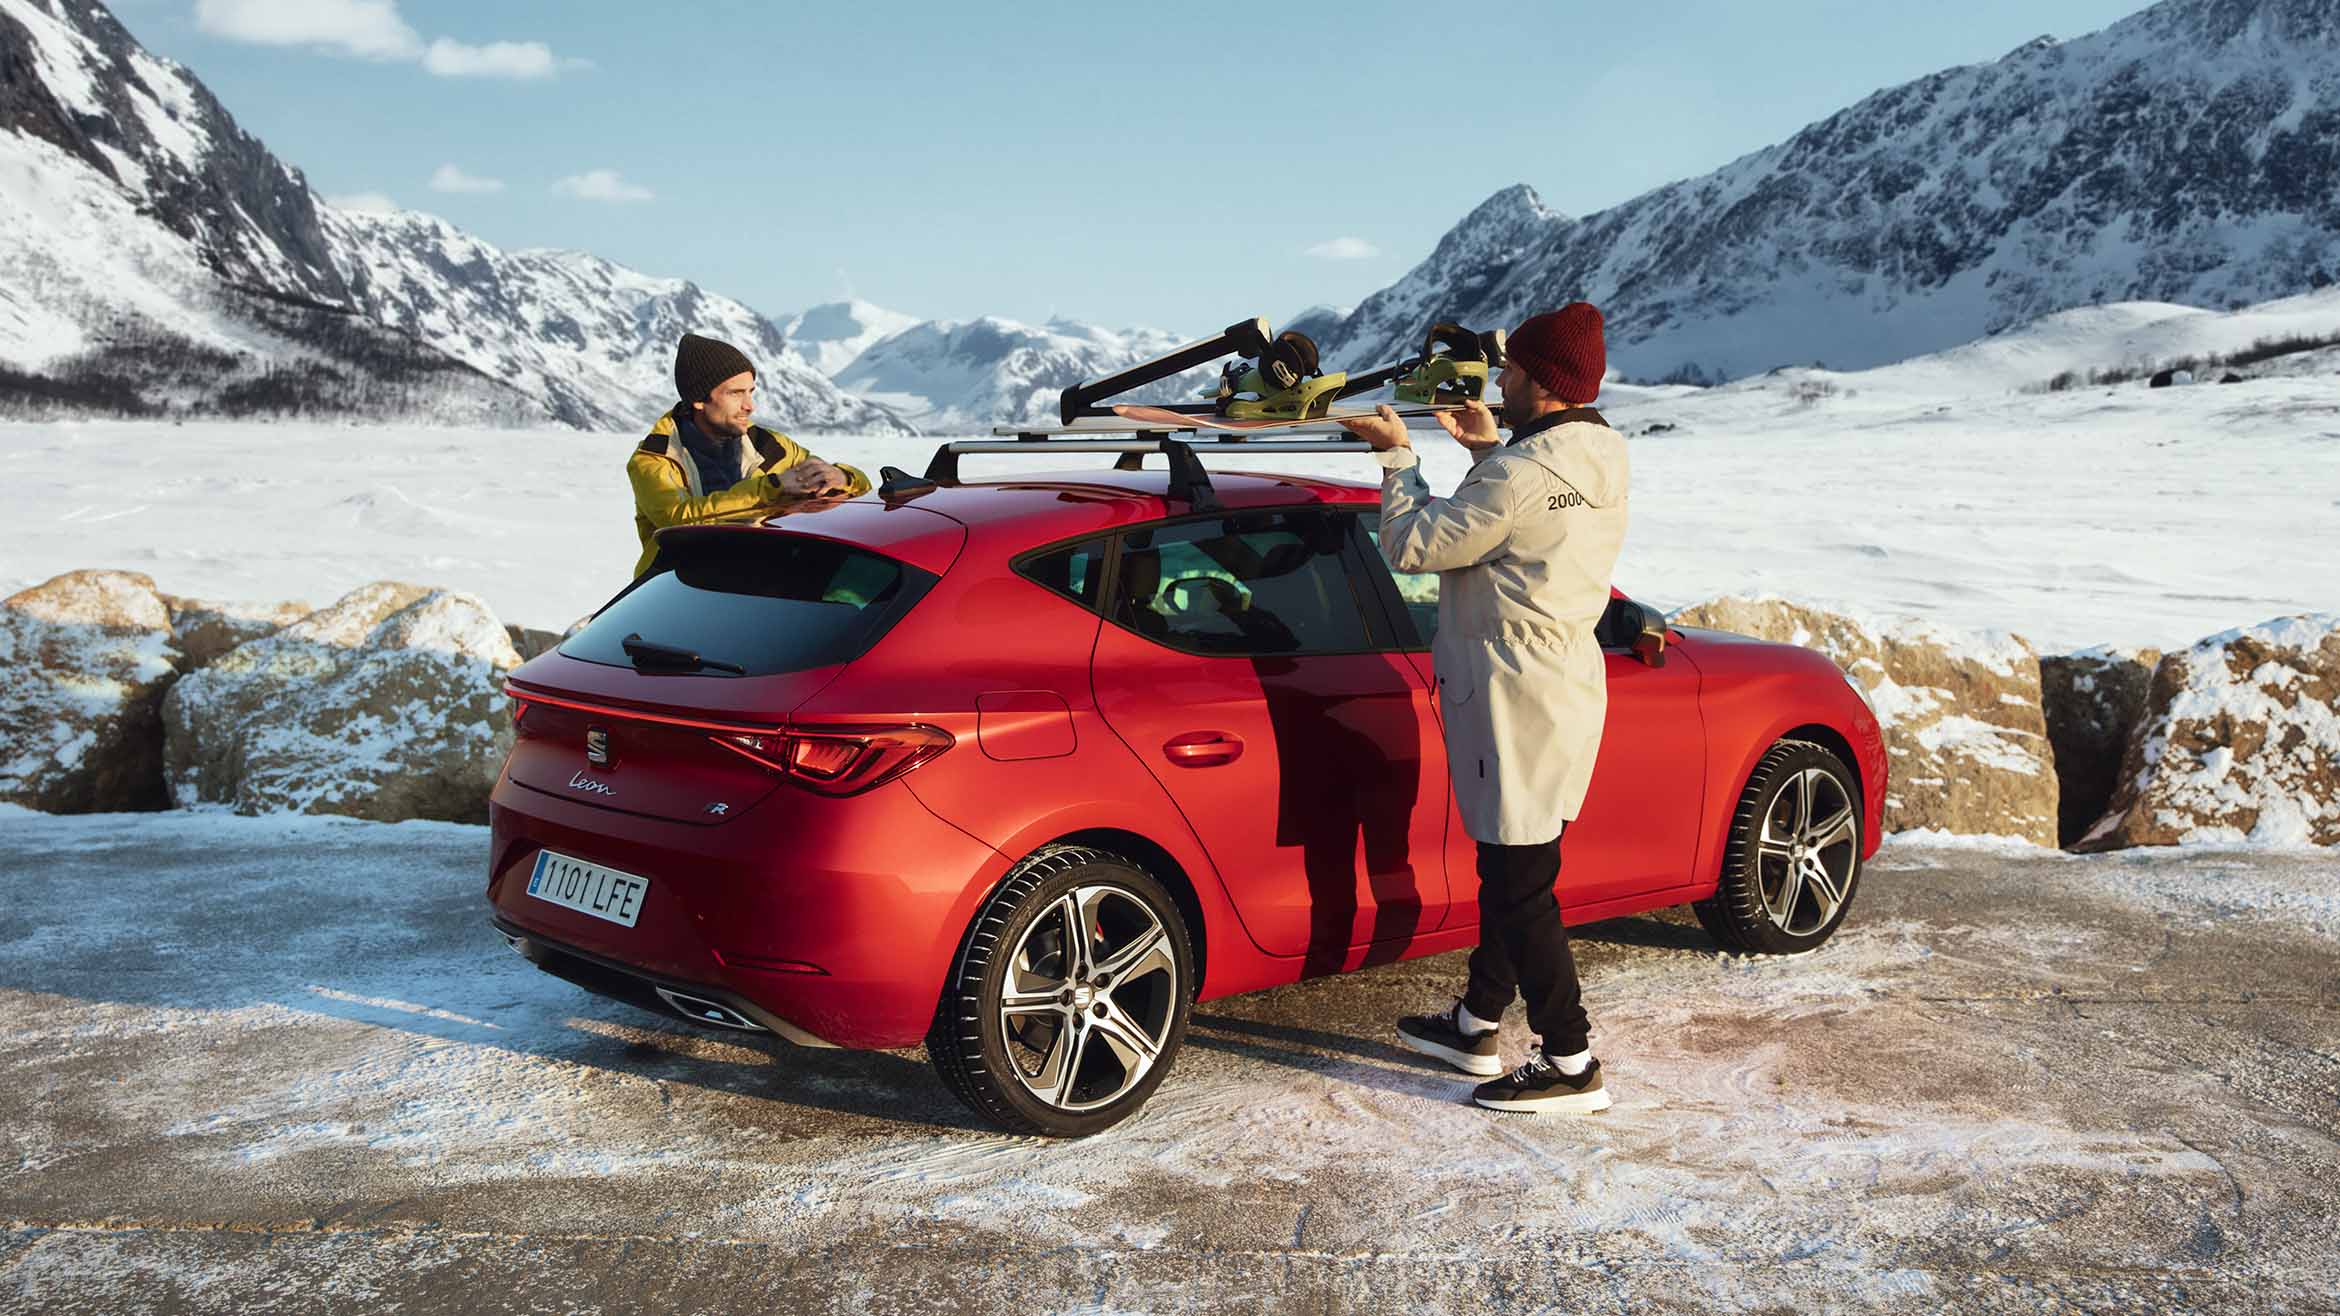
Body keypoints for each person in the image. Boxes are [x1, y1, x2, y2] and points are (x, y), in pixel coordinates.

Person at [1337, 302, 1630, 1115]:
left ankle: (1570, 1061)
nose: (1498, 381)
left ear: (1541, 379)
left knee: (1518, 881)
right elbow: (1530, 510)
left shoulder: (1520, 475)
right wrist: (1489, 449)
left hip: (1513, 691)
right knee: (1518, 865)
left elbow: (1413, 547)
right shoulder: (1599, 452)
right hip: (1562, 683)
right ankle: (1474, 1022)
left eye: (1511, 371)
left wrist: (1400, 462)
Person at [627, 333, 873, 576]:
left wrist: (843, 477)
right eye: (735, 393)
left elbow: (857, 492)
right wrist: (770, 488)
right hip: (675, 593)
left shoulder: (770, 445)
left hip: (753, 586)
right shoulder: (655, 458)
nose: (749, 405)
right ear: (698, 400)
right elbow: (678, 522)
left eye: (751, 392)